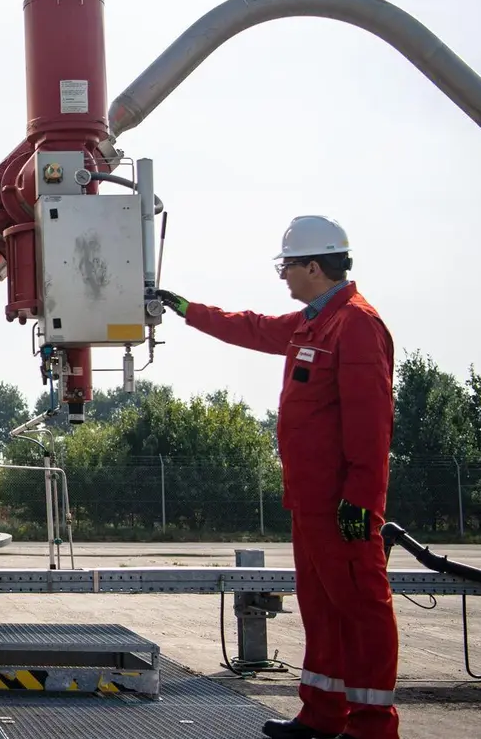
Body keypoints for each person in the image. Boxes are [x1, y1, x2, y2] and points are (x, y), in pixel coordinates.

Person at [156, 215, 399, 739]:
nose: (283, 276)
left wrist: (361, 498)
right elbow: (251, 326)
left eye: (287, 266)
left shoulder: (356, 325)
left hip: (343, 507)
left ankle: (373, 726)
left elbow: (371, 422)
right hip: (310, 503)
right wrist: (184, 309)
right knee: (321, 609)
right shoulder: (312, 323)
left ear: (315, 266)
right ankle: (322, 715)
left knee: (360, 611)